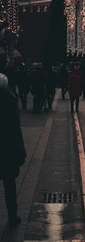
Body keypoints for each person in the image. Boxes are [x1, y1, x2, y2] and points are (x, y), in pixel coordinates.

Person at [0, 73, 26, 228]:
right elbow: (16, 130)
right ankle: (12, 216)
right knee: (10, 186)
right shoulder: (10, 102)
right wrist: (20, 151)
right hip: (8, 150)